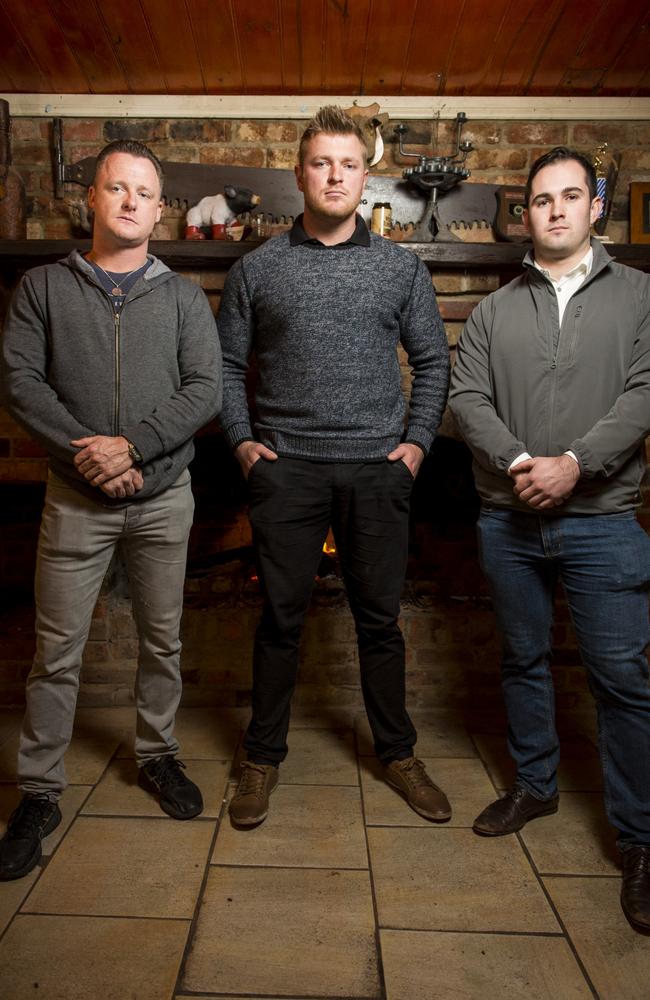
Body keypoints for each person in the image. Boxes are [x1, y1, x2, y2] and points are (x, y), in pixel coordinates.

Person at [217, 106, 451, 827]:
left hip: (377, 471)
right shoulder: (258, 269)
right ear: (300, 173)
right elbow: (226, 367)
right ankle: (261, 758)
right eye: (321, 163)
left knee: (379, 622)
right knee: (281, 621)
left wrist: (414, 446)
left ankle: (397, 752)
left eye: (348, 164)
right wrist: (243, 443)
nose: (335, 175)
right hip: (287, 470)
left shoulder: (399, 267)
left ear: (364, 175)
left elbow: (436, 361)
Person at [0, 140, 222, 880]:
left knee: (163, 642)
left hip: (164, 499)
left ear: (160, 210)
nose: (129, 201)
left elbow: (205, 390)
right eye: (115, 188)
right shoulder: (42, 288)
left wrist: (133, 449)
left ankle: (157, 756)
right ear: (90, 200)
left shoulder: (186, 298)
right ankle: (39, 792)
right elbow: (22, 382)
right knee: (55, 652)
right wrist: (87, 454)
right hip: (73, 498)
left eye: (143, 192)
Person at [449, 146, 650, 932]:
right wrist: (520, 462)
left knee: (624, 681)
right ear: (524, 214)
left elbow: (644, 392)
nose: (556, 210)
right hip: (508, 518)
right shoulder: (497, 311)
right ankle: (536, 784)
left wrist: (576, 464)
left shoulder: (639, 297)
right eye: (541, 199)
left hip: (604, 522)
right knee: (522, 658)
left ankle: (640, 840)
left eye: (571, 197)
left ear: (595, 207)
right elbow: (466, 396)